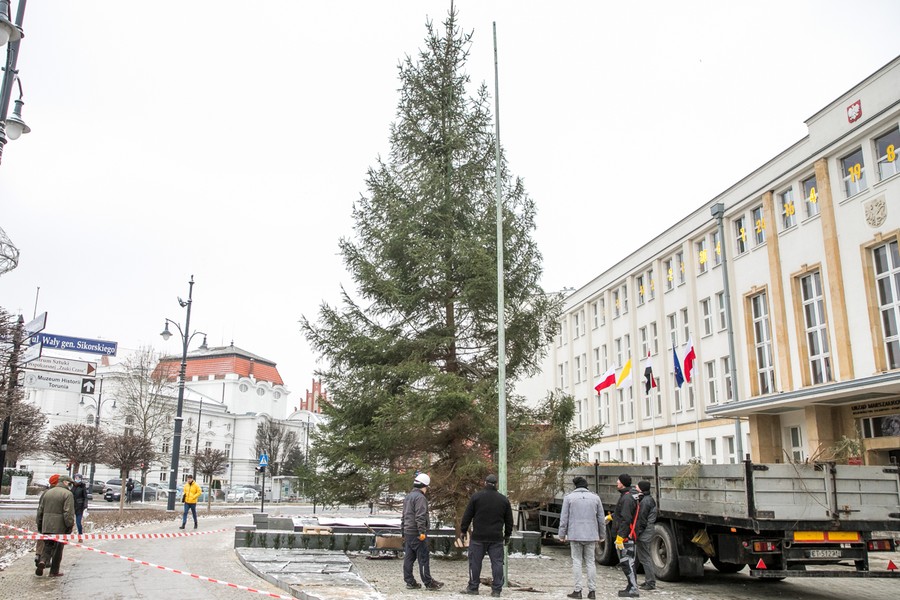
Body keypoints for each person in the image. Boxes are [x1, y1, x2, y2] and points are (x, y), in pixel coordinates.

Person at [459, 474, 514, 597]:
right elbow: (509, 521)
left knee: (475, 562)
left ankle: (473, 587)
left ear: (485, 483)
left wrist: (463, 530)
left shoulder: (476, 497)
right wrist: (507, 535)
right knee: (497, 563)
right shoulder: (503, 500)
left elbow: (467, 515)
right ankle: (496, 590)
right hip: (496, 538)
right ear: (496, 484)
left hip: (478, 536)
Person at [559, 476, 606, 600]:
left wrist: (562, 534)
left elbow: (564, 518)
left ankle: (577, 590)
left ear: (575, 485)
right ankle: (592, 591)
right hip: (591, 535)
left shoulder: (569, 498)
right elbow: (601, 519)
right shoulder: (595, 498)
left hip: (575, 535)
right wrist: (602, 535)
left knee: (577, 561)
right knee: (590, 562)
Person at [400, 473, 443, 590]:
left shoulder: (408, 497)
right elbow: (420, 516)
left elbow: (404, 516)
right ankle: (428, 582)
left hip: (408, 532)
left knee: (409, 557)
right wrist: (422, 532)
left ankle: (410, 581)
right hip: (417, 533)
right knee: (423, 558)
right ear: (424, 486)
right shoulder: (420, 498)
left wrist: (403, 532)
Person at [35, 474, 75, 577]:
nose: (70, 485)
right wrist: (69, 525)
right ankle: (54, 571)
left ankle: (43, 561)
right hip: (60, 526)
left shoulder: (47, 493)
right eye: (69, 483)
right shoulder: (68, 494)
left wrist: (40, 524)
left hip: (46, 524)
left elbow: (40, 510)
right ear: (65, 482)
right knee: (58, 548)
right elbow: (68, 512)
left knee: (47, 545)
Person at [612, 473, 640, 598]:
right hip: (627, 535)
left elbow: (626, 518)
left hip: (627, 537)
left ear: (622, 483)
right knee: (627, 562)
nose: (617, 483)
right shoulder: (627, 496)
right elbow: (622, 515)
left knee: (627, 563)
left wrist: (621, 537)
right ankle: (630, 586)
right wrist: (611, 517)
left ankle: (633, 589)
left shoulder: (627, 498)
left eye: (618, 481)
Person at [635, 481, 658, 591]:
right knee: (644, 556)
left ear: (641, 489)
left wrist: (637, 533)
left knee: (645, 557)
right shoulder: (648, 499)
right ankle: (649, 580)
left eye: (637, 486)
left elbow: (642, 519)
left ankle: (651, 582)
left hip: (645, 532)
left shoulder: (645, 502)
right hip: (648, 530)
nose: (635, 487)